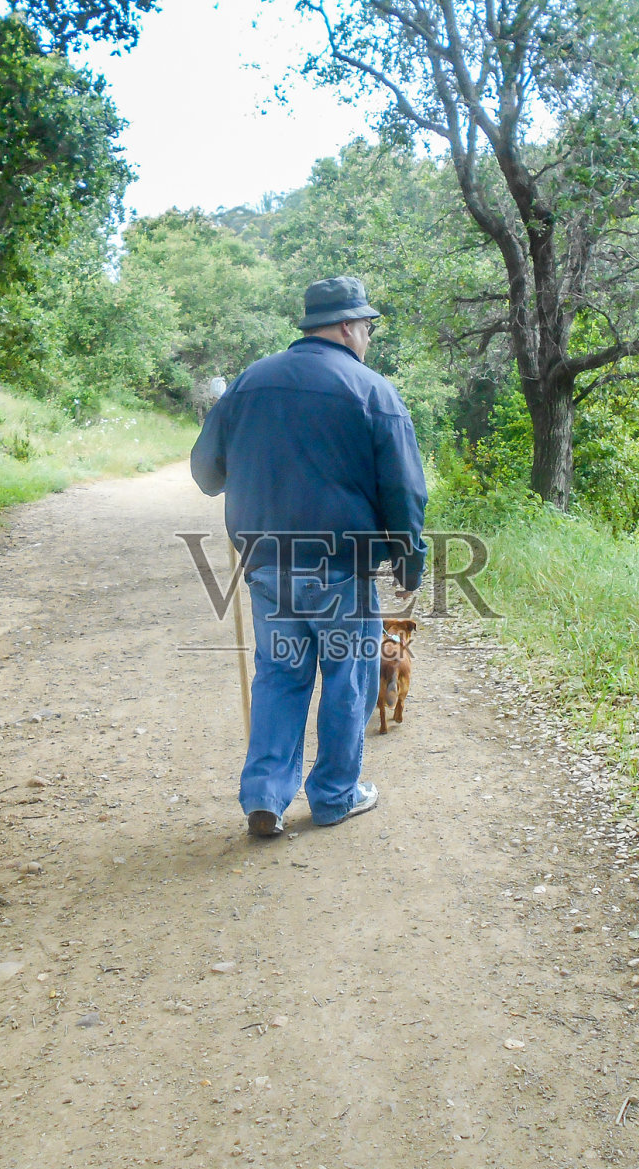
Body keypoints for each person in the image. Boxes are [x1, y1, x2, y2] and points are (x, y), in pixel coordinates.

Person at [190, 276, 428, 837]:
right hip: (341, 566)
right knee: (348, 676)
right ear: (348, 326)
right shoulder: (373, 391)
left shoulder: (249, 382)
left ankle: (265, 799)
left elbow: (206, 473)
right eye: (366, 327)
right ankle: (333, 796)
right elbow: (405, 490)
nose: (367, 337)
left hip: (268, 564)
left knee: (279, 675)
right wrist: (408, 558)